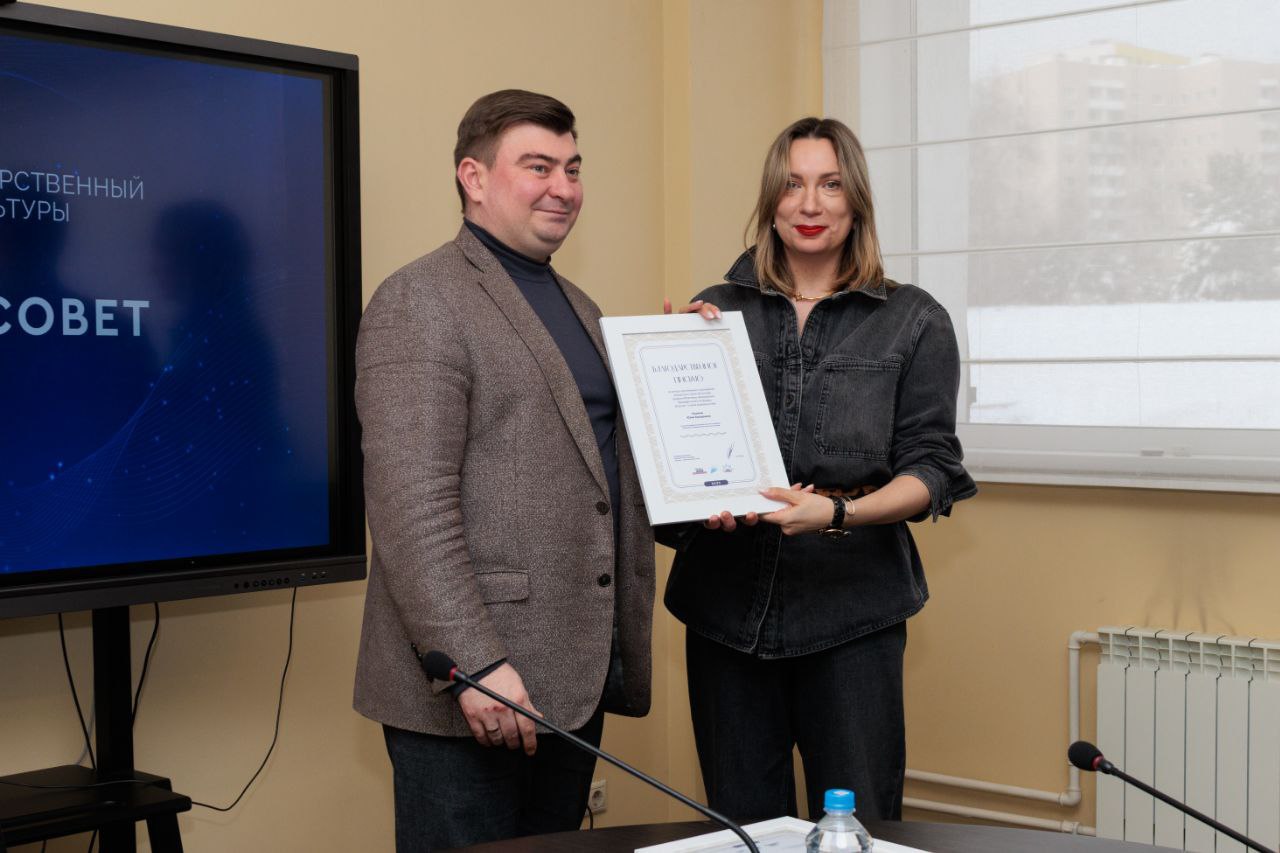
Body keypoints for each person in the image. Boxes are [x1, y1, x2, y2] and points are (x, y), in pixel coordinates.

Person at [353, 90, 685, 851]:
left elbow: (606, 475)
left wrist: (684, 365)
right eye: (538, 167)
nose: (563, 188)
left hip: (569, 680)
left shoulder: (583, 308)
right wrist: (475, 664)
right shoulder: (420, 299)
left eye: (573, 168)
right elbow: (411, 507)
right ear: (473, 177)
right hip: (472, 687)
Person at [659, 116, 977, 824]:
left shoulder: (913, 319)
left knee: (856, 826)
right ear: (770, 201)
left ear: (855, 200)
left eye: (830, 185)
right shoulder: (716, 311)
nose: (810, 204)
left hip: (854, 617)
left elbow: (932, 469)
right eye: (793, 184)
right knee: (745, 831)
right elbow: (680, 454)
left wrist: (836, 513)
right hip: (724, 614)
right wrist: (668, 359)